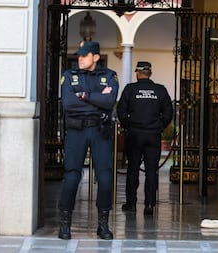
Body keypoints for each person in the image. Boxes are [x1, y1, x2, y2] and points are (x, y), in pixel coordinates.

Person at [58, 41, 119, 240]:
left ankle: (103, 225)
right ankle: (65, 224)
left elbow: (109, 102)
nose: (80, 59)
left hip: (100, 131)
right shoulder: (69, 76)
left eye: (85, 55)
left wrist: (83, 96)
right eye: (79, 56)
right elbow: (68, 104)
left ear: (95, 57)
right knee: (72, 176)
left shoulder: (109, 76)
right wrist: (95, 100)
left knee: (105, 178)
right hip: (77, 131)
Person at [117, 61, 173, 216]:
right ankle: (149, 205)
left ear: (137, 73)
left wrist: (129, 125)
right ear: (150, 74)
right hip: (153, 135)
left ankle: (131, 203)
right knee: (151, 171)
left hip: (135, 135)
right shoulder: (160, 90)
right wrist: (159, 125)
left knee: (133, 169)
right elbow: (169, 112)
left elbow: (121, 111)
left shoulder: (130, 89)